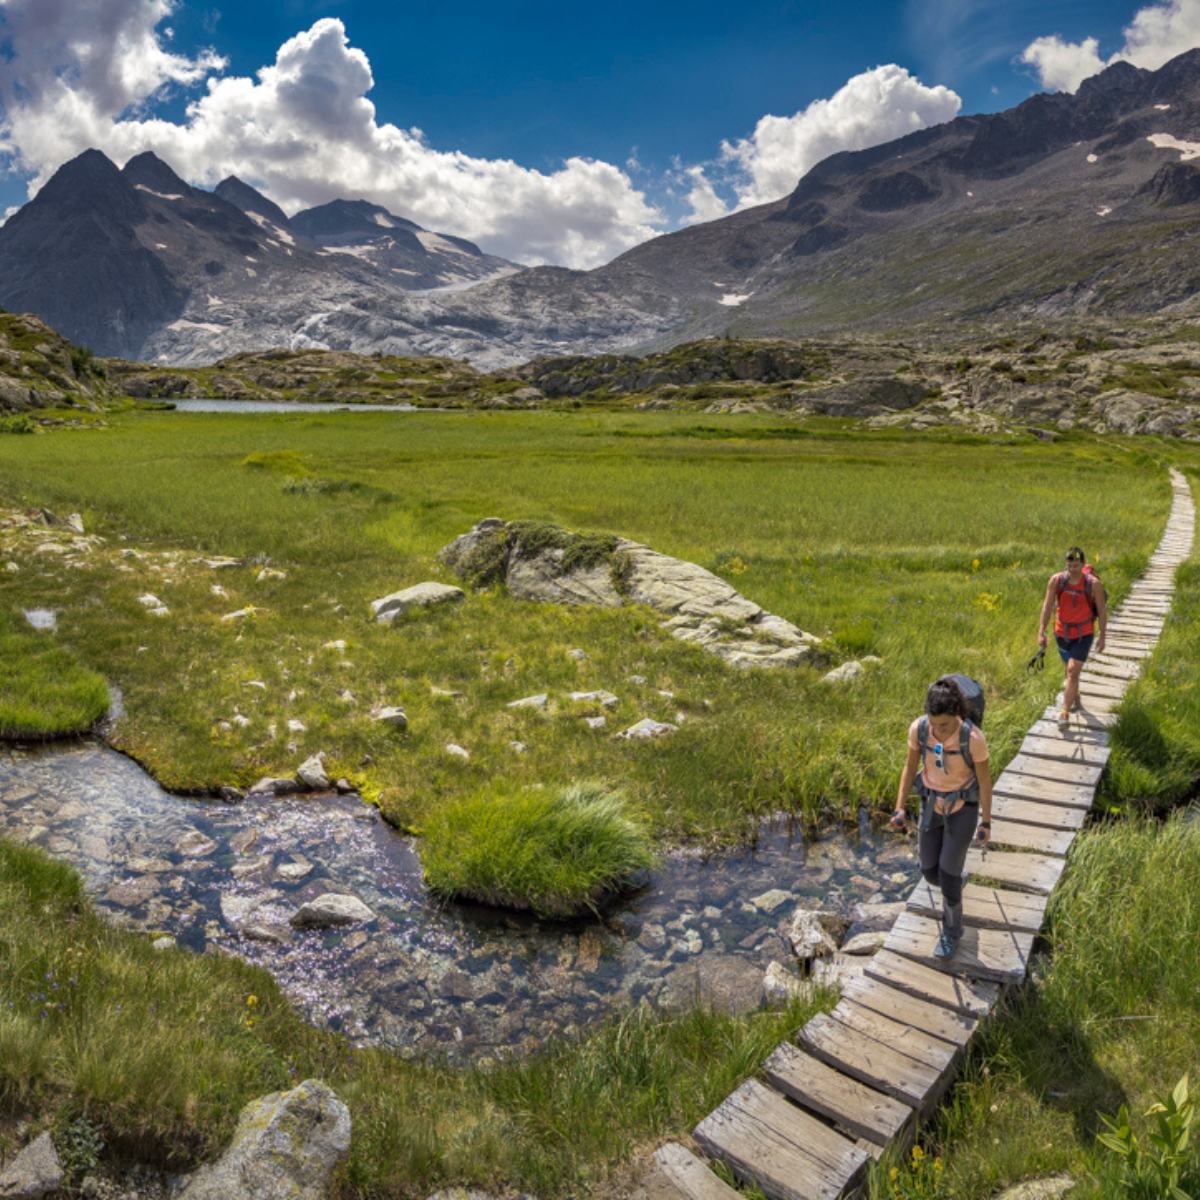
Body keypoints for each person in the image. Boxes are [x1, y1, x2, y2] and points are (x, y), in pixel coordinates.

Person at [891, 678, 992, 960]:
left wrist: (986, 822)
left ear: (958, 713)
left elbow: (984, 782)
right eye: (934, 723)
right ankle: (955, 884)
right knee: (928, 870)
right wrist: (900, 807)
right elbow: (910, 766)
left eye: (944, 725)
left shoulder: (972, 739)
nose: (937, 730)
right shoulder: (920, 729)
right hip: (931, 805)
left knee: (947, 873)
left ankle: (951, 932)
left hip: (962, 808)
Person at [1037, 547, 1107, 727]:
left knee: (1072, 671)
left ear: (1083, 565)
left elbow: (1101, 611)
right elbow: (1047, 606)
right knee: (1069, 670)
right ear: (1066, 564)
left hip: (1084, 634)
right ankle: (1075, 695)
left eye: (1077, 565)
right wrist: (1041, 631)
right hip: (1061, 633)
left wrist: (1102, 636)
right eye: (1070, 565)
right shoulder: (1056, 581)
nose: (1073, 569)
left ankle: (1064, 713)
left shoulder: (1093, 584)